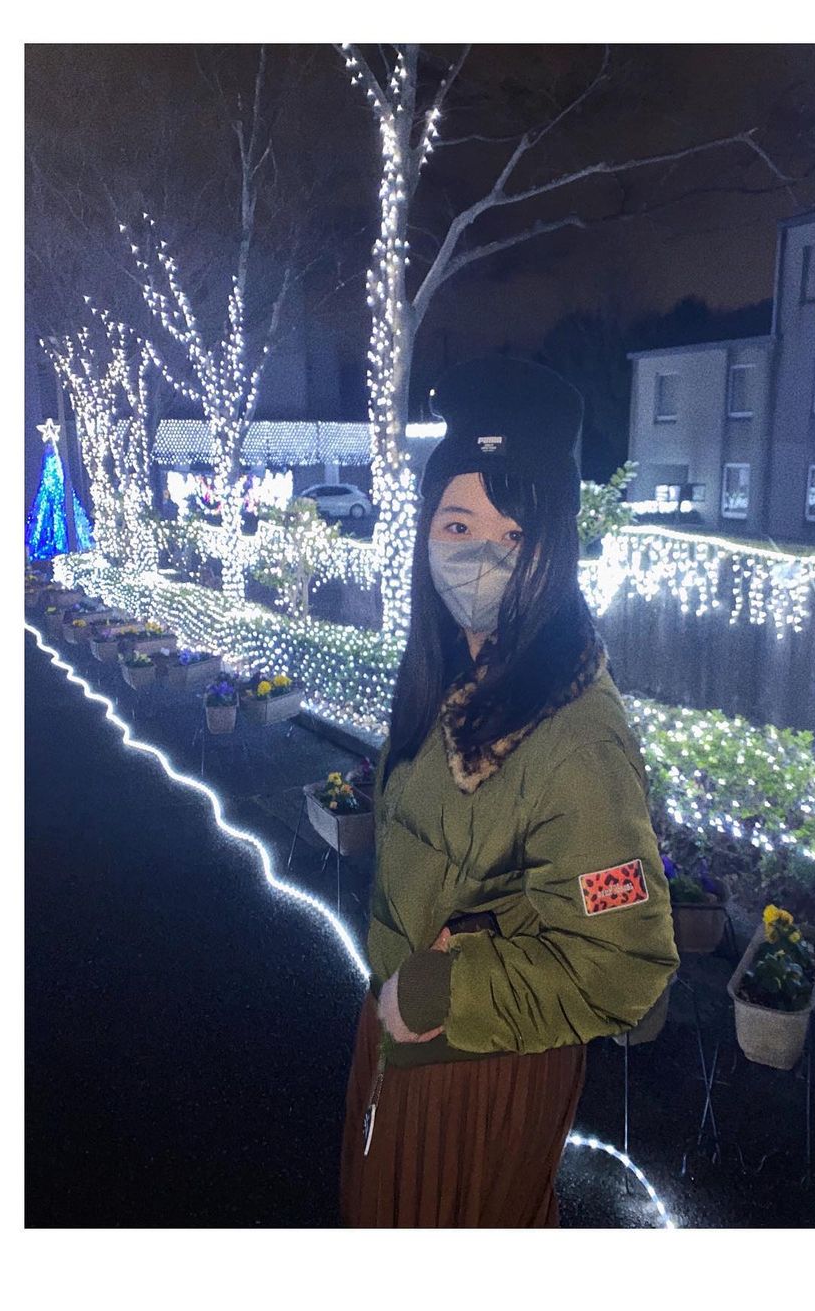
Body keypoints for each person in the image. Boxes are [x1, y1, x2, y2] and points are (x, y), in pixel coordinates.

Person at [340, 356, 679, 1228]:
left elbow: (623, 962)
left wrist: (438, 993)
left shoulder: (576, 733)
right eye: (457, 522)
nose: (478, 554)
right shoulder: (450, 670)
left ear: (552, 547)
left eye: (514, 533)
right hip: (404, 1038)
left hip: (479, 1066)